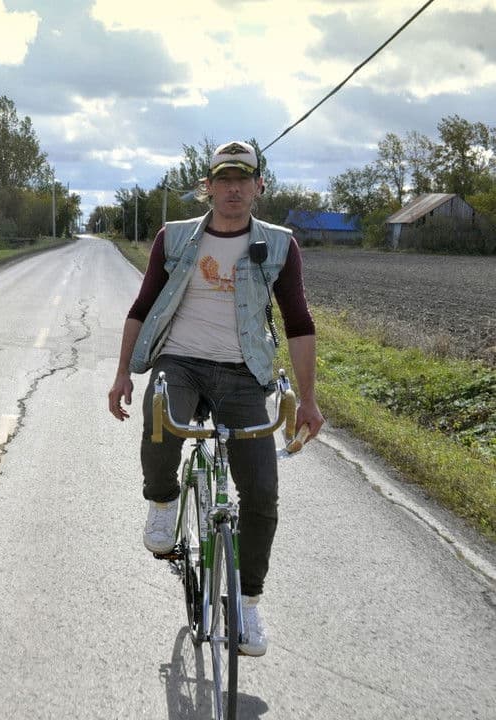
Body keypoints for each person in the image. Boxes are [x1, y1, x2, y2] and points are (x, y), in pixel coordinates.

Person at [106, 140, 325, 657]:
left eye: (242, 179)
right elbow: (141, 307)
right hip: (179, 361)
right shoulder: (176, 238)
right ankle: (163, 501)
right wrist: (122, 374)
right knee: (160, 420)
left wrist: (309, 400)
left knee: (262, 492)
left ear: (259, 186)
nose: (233, 189)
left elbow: (298, 322)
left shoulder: (279, 246)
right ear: (208, 187)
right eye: (223, 179)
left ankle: (247, 605)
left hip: (244, 373)